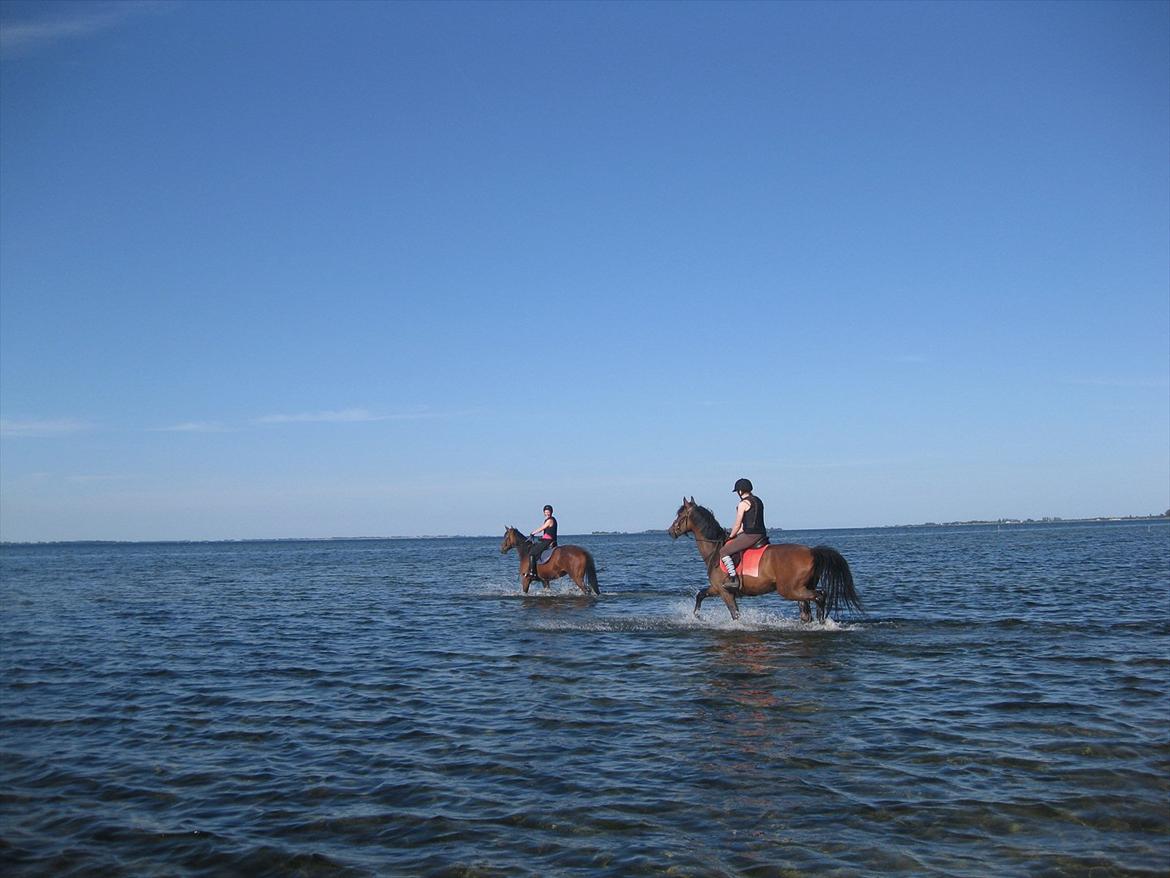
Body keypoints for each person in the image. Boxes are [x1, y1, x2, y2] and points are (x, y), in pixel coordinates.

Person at [720, 478, 768, 590]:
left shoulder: (743, 503)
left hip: (751, 535)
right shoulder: (758, 501)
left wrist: (730, 536)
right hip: (761, 534)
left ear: (740, 491)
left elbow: (737, 525)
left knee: (724, 551)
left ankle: (733, 578)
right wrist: (737, 533)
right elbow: (746, 525)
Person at [528, 504, 558, 579]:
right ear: (544, 513)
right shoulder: (548, 520)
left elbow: (542, 528)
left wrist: (533, 533)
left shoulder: (550, 520)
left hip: (548, 541)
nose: (547, 513)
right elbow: (547, 532)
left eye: (548, 512)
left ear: (551, 512)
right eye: (546, 512)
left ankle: (532, 573)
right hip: (547, 539)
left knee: (532, 553)